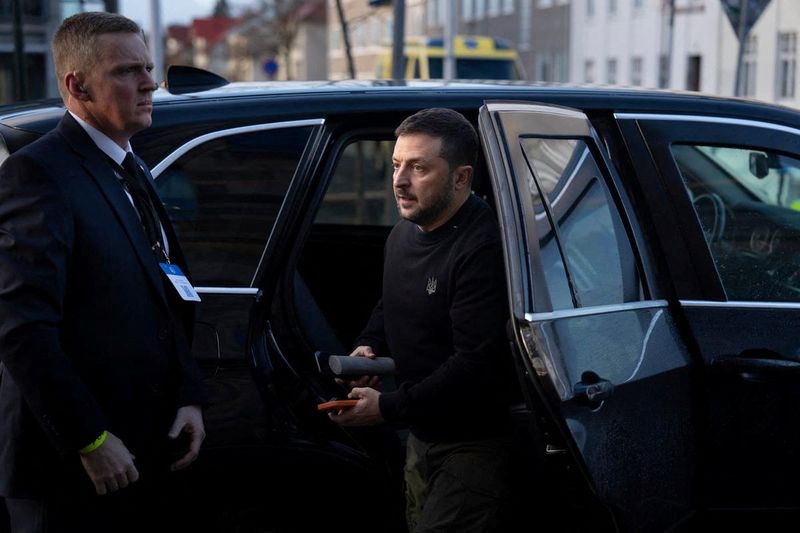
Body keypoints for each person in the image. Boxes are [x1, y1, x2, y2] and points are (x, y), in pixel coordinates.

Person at [0, 12, 207, 533]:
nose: (147, 84)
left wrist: (188, 394)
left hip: (141, 453)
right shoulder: (38, 173)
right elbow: (21, 327)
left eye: (148, 68)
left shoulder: (128, 163)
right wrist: (88, 438)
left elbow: (164, 287)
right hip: (72, 471)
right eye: (125, 71)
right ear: (77, 85)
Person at [329, 108, 516, 532]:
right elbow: (392, 302)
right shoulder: (402, 233)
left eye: (418, 168)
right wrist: (368, 346)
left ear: (461, 178)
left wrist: (387, 408)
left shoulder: (483, 247)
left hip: (474, 444)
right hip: (421, 435)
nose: (399, 180)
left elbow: (476, 364)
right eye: (396, 165)